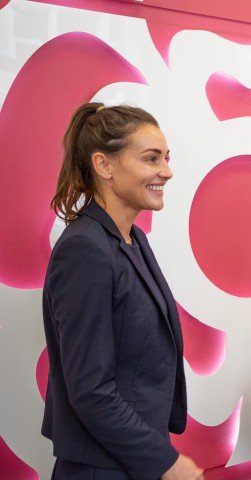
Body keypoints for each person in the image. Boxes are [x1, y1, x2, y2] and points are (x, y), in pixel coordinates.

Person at [41, 103, 203, 480]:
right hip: (101, 468)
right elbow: (91, 390)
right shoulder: (85, 249)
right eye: (151, 159)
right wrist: (165, 462)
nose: (166, 171)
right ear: (104, 166)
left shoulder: (133, 239)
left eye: (166, 158)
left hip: (130, 460)